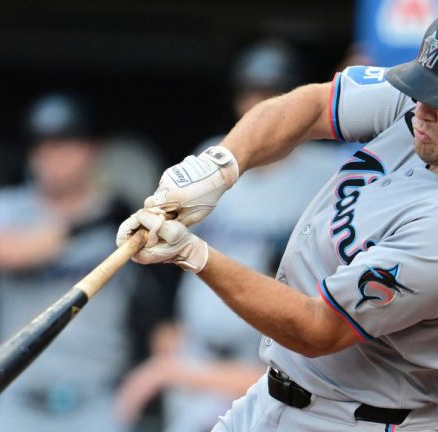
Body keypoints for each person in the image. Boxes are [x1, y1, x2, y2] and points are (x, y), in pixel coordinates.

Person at [117, 4, 438, 432]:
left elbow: (317, 329)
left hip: (360, 419)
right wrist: (222, 165)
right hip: (272, 398)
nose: (421, 109)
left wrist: (194, 255)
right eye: (423, 91)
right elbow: (313, 105)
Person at [115, 40, 357, 432]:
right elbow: (161, 251)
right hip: (196, 349)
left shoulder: (328, 171)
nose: (259, 105)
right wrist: (166, 325)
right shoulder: (210, 158)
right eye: (252, 93)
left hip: (270, 350)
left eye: (273, 94)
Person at [0, 92, 136, 432]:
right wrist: (84, 225)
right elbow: (2, 251)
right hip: (15, 400)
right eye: (44, 146)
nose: (53, 157)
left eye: (66, 145)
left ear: (92, 151)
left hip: (96, 404)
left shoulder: (126, 221)